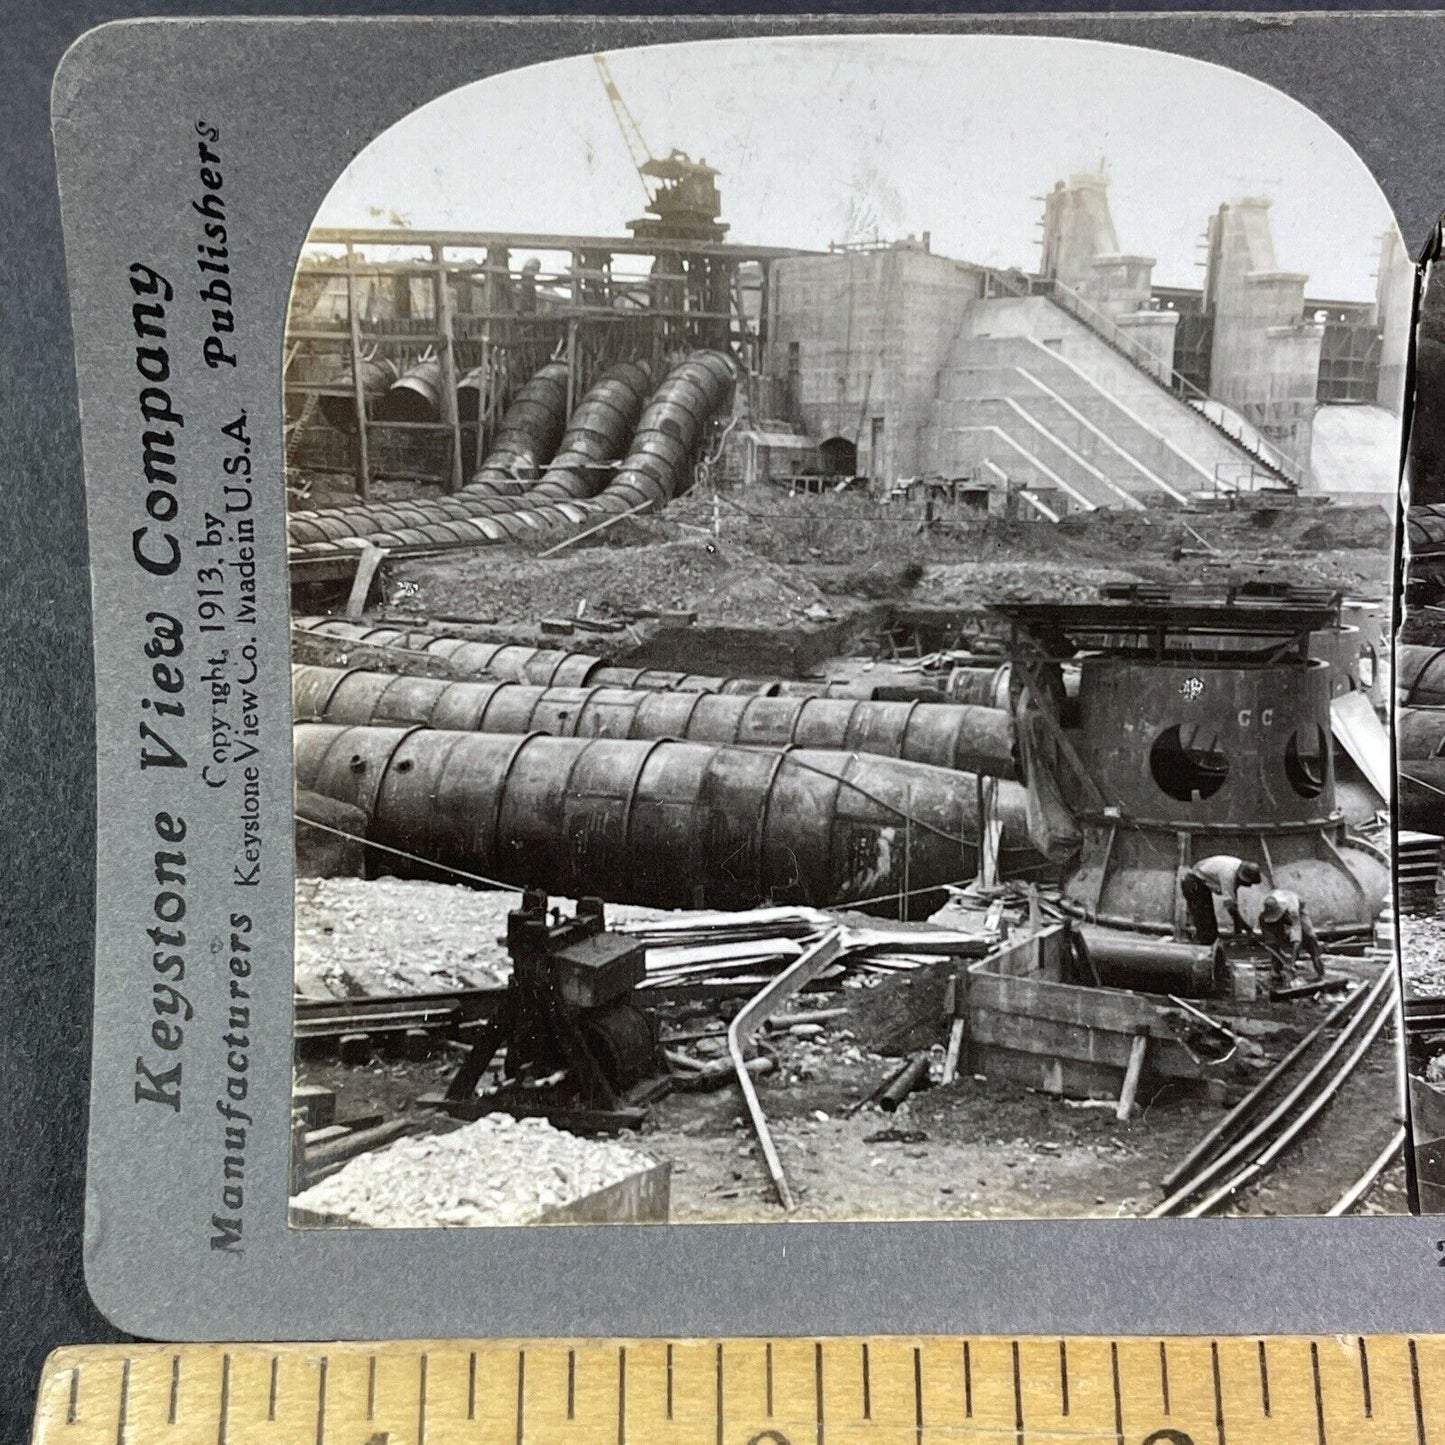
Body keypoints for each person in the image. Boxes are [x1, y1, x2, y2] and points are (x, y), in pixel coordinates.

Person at [1179, 855, 1262, 944]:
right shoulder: (1228, 874)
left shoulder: (1239, 867)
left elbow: (1233, 897)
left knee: (1210, 925)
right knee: (1205, 924)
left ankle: (1209, 944)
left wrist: (1238, 928)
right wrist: (1248, 930)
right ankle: (1204, 951)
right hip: (1193, 883)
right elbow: (1230, 906)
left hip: (1200, 881)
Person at [1258, 888, 1325, 984]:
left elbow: (1297, 937)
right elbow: (1269, 943)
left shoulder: (1292, 909)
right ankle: (1276, 971)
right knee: (1276, 938)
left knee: (1310, 937)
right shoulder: (1262, 914)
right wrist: (1283, 959)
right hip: (1279, 909)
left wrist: (1292, 962)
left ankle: (1319, 971)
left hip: (1297, 909)